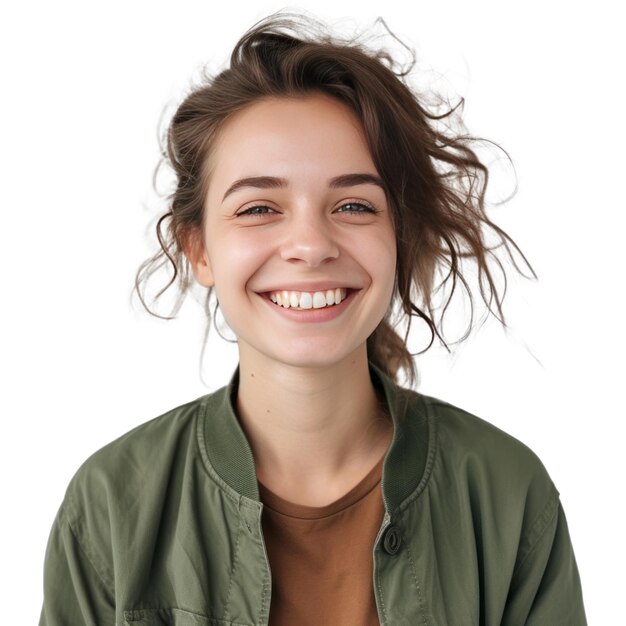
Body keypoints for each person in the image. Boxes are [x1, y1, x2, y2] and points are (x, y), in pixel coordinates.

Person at [39, 11, 587, 626]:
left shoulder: (507, 491)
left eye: (353, 204)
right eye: (258, 208)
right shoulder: (110, 502)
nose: (310, 244)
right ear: (198, 248)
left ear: (399, 237)